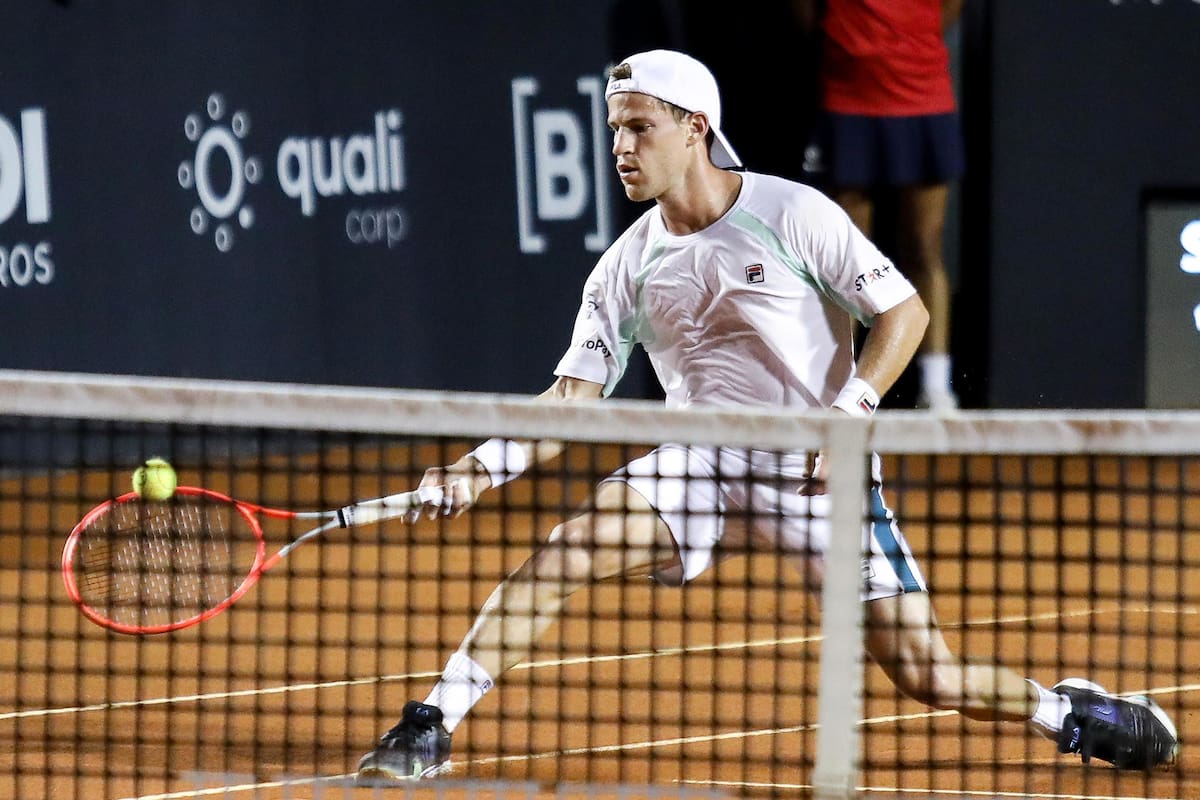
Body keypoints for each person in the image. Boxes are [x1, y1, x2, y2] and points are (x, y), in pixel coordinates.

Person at [354, 49, 1178, 784]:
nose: (621, 148)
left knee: (930, 677)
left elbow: (903, 312)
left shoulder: (792, 214)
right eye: (614, 130)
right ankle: (431, 722)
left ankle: (1067, 713)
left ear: (695, 128)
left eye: (640, 127)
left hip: (811, 472)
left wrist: (851, 411)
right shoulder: (624, 267)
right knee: (566, 550)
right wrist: (478, 469)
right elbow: (571, 398)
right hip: (697, 464)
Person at [800, 0, 966, 411]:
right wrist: (850, 45)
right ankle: (839, 387)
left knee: (924, 247)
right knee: (845, 256)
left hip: (922, 95)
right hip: (848, 97)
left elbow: (950, 8)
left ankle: (935, 389)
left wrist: (903, 44)